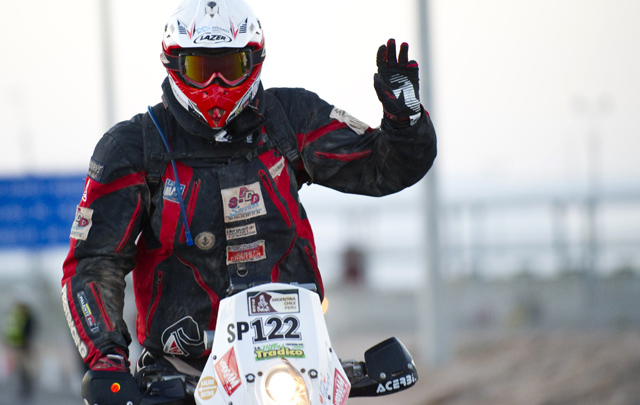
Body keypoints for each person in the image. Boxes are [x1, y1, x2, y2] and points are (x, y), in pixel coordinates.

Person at [61, 0, 436, 402]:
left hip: (296, 364)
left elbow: (383, 167)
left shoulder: (290, 118)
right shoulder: (132, 147)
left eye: (231, 66)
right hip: (181, 373)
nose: (217, 84)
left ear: (254, 60)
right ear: (174, 64)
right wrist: (108, 360)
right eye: (201, 69)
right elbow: (94, 262)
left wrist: (405, 120)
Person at [3, 301, 35, 401]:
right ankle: (24, 387)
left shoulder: (24, 316)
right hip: (18, 345)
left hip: (23, 346)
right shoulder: (19, 315)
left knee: (24, 368)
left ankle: (26, 387)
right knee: (20, 368)